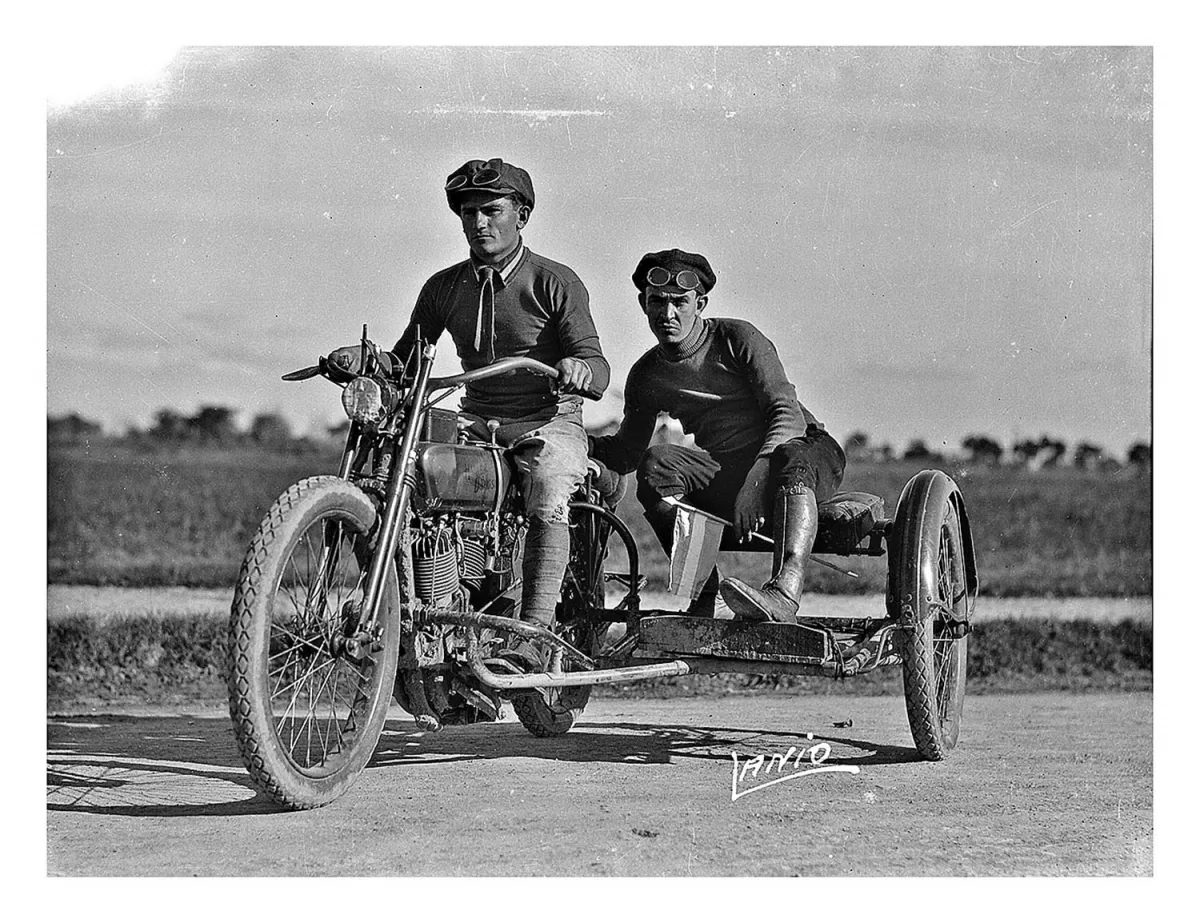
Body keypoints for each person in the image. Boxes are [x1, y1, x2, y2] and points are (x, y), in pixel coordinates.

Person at [329, 158, 609, 665]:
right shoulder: (444, 286)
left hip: (547, 421)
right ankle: (405, 607)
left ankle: (533, 635)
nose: (478, 222)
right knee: (400, 472)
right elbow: (407, 360)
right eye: (468, 212)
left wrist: (579, 369)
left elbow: (595, 361)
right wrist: (364, 360)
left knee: (548, 484)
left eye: (492, 210)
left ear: (521, 215)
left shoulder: (555, 281)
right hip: (475, 419)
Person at [589, 249, 845, 623]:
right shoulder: (646, 374)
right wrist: (576, 441)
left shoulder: (737, 338)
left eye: (680, 302)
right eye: (657, 302)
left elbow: (785, 414)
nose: (667, 314)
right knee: (655, 464)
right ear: (643, 304)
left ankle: (784, 594)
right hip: (730, 470)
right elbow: (627, 453)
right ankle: (706, 594)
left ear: (701, 303)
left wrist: (755, 484)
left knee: (791, 458)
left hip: (802, 453)